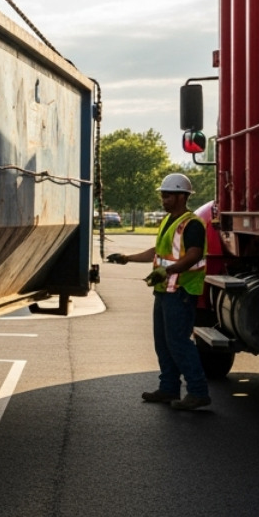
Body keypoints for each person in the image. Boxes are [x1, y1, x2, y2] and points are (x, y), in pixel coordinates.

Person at [105, 173, 210, 410]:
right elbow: (157, 251)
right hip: (165, 291)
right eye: (163, 195)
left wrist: (169, 270)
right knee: (163, 343)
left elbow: (193, 255)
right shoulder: (168, 221)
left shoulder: (192, 223)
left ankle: (198, 391)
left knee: (179, 342)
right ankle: (168, 388)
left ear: (182, 196)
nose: (164, 199)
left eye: (168, 195)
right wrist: (126, 258)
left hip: (181, 290)